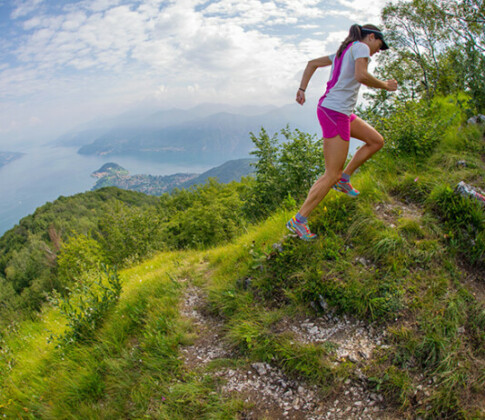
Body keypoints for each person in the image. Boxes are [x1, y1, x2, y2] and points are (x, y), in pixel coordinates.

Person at [287, 24, 398, 240]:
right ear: (371, 37)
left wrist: (302, 89)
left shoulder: (343, 50)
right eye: (380, 45)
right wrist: (385, 85)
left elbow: (312, 64)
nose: (378, 50)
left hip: (340, 112)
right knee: (332, 173)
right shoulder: (361, 48)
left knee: (376, 141)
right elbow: (361, 75)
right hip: (335, 112)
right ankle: (298, 220)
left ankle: (344, 180)